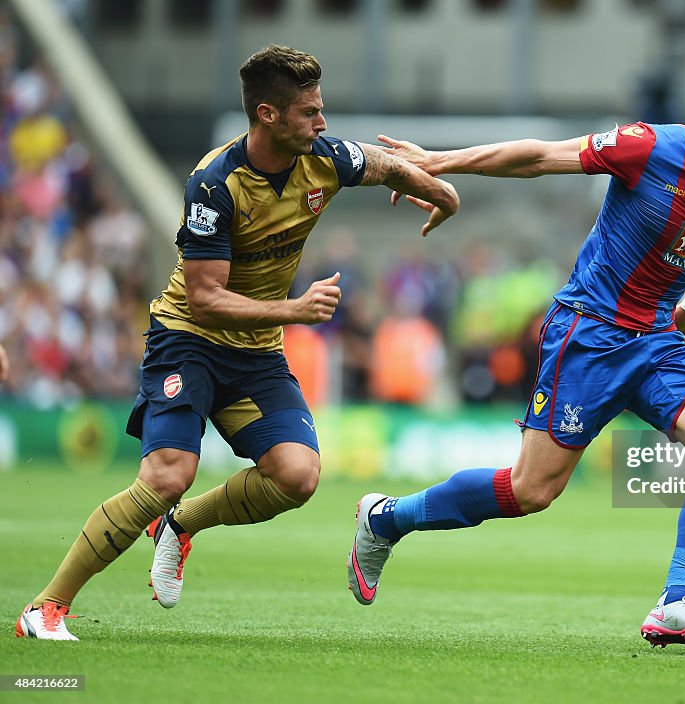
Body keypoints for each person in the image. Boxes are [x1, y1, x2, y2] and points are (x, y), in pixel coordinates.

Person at [15, 45, 459, 641]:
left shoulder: (325, 158)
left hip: (254, 350)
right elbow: (204, 296)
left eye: (321, 110)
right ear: (268, 115)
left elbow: (382, 162)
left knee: (297, 476)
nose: (322, 123)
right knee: (168, 473)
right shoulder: (215, 184)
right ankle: (44, 607)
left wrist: (440, 192)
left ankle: (181, 526)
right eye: (309, 112)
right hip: (188, 340)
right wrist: (295, 311)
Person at [348, 73, 685, 651]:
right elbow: (540, 156)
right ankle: (386, 518)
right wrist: (439, 162)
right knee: (531, 491)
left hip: (657, 342)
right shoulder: (653, 147)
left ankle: (676, 602)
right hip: (589, 334)